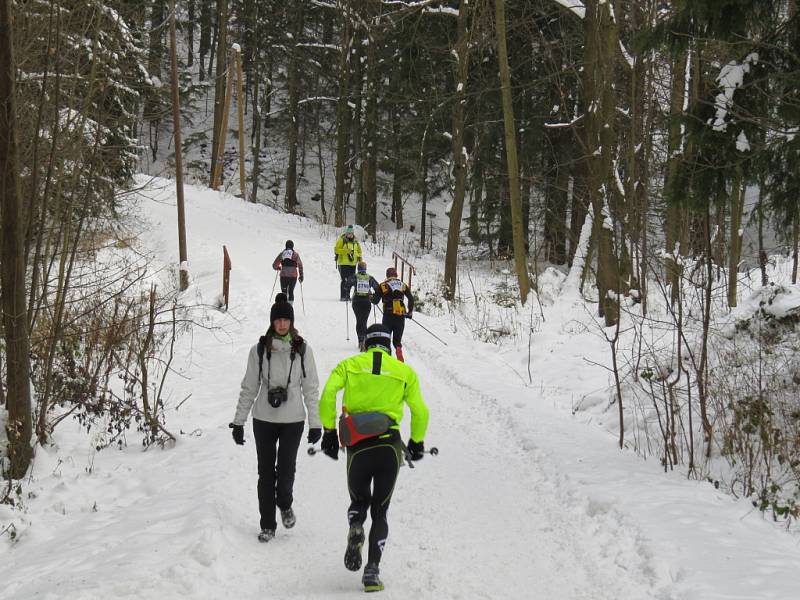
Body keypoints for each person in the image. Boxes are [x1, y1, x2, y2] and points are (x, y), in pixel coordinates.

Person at [319, 323, 429, 592]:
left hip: (358, 446)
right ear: (388, 346)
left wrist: (329, 431)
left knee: (359, 499)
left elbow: (327, 395)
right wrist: (416, 441)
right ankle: (371, 572)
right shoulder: (405, 372)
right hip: (389, 446)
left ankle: (356, 523)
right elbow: (420, 411)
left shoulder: (349, 365)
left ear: (365, 344)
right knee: (381, 509)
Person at [229, 293, 321, 542]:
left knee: (286, 471)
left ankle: (285, 503)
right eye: (278, 320)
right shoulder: (258, 350)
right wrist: (238, 422)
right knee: (266, 473)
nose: (282, 324)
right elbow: (249, 387)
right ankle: (267, 524)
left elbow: (311, 388)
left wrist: (316, 423)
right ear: (272, 322)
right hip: (264, 419)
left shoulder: (303, 350)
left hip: (293, 420)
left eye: (285, 320)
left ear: (291, 322)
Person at [372, 267, 414, 362]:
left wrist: (371, 297)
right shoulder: (402, 285)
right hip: (400, 314)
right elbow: (411, 299)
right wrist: (410, 312)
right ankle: (398, 349)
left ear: (387, 276)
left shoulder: (383, 285)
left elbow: (375, 301)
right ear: (396, 275)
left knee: (386, 337)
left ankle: (388, 358)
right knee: (397, 340)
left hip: (388, 314)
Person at [344, 261, 380, 351]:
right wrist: (374, 297)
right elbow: (378, 288)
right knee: (364, 321)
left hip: (356, 301)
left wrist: (347, 295)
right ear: (365, 269)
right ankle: (363, 340)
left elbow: (346, 285)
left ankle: (360, 341)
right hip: (367, 301)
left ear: (358, 268)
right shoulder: (370, 278)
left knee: (359, 320)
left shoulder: (355, 277)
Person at [334, 225, 362, 301]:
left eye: (351, 233)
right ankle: (343, 296)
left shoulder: (355, 241)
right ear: (346, 233)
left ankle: (348, 296)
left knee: (351, 280)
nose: (350, 235)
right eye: (348, 233)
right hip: (343, 264)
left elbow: (359, 251)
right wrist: (346, 251)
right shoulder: (342, 240)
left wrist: (359, 258)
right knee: (344, 280)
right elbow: (336, 250)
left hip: (353, 264)